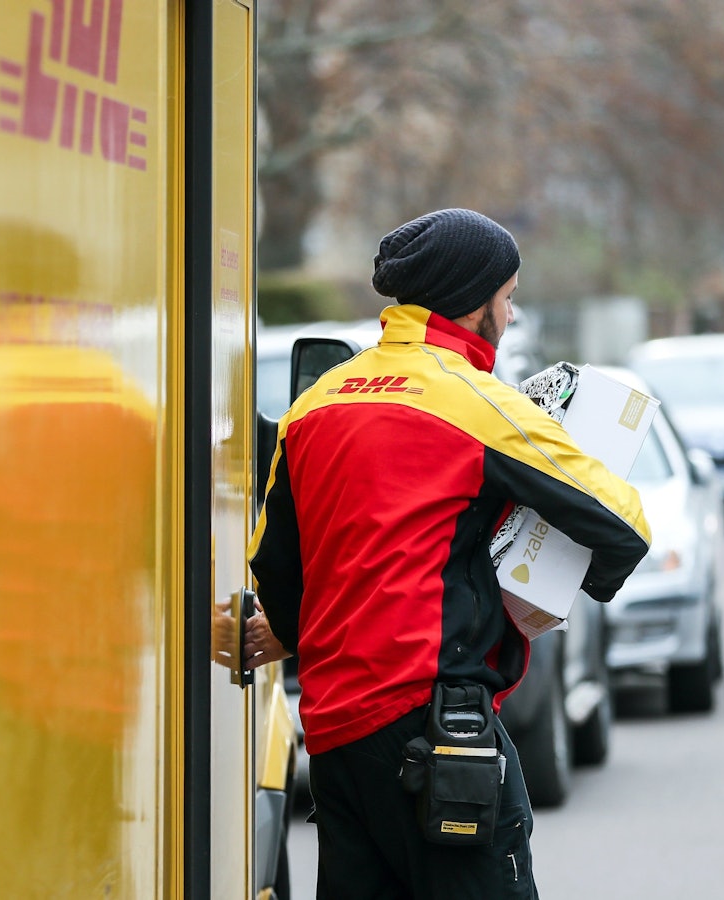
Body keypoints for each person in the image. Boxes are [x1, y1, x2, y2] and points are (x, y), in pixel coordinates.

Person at [245, 207, 650, 899]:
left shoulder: (313, 405)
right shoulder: (473, 402)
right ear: (474, 301)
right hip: (440, 738)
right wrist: (542, 595)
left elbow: (276, 571)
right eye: (508, 299)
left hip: (336, 742)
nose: (511, 316)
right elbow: (622, 522)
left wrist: (295, 631)